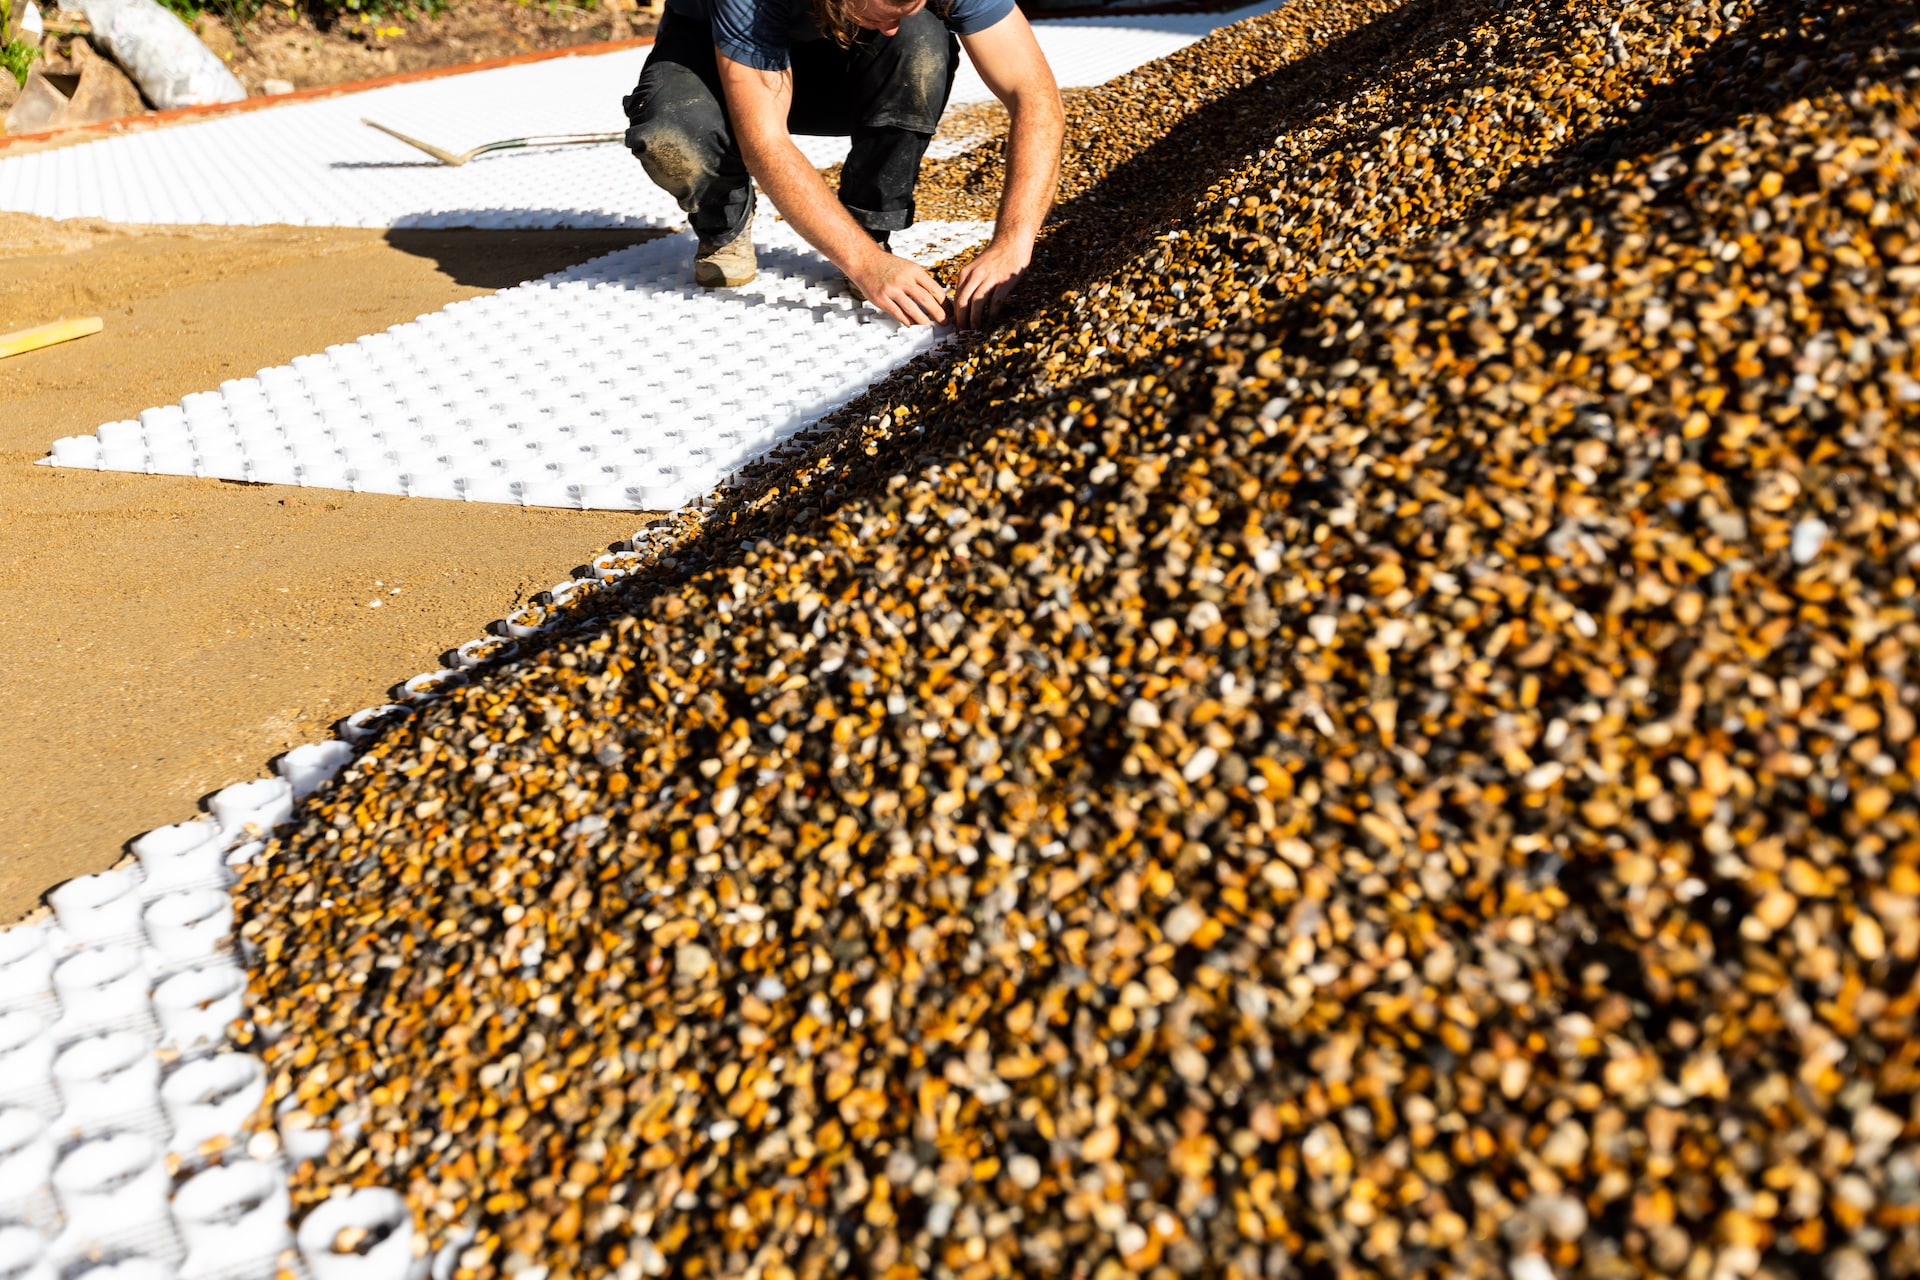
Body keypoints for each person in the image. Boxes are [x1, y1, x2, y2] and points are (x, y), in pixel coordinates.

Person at [621, 0, 1063, 329]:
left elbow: (1035, 96)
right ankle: (724, 223)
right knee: (671, 128)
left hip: (837, 46)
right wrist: (865, 266)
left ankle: (870, 224)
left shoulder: (893, 20)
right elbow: (765, 140)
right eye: (882, 13)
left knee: (920, 40)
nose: (889, 29)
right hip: (712, 45)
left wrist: (1013, 243)